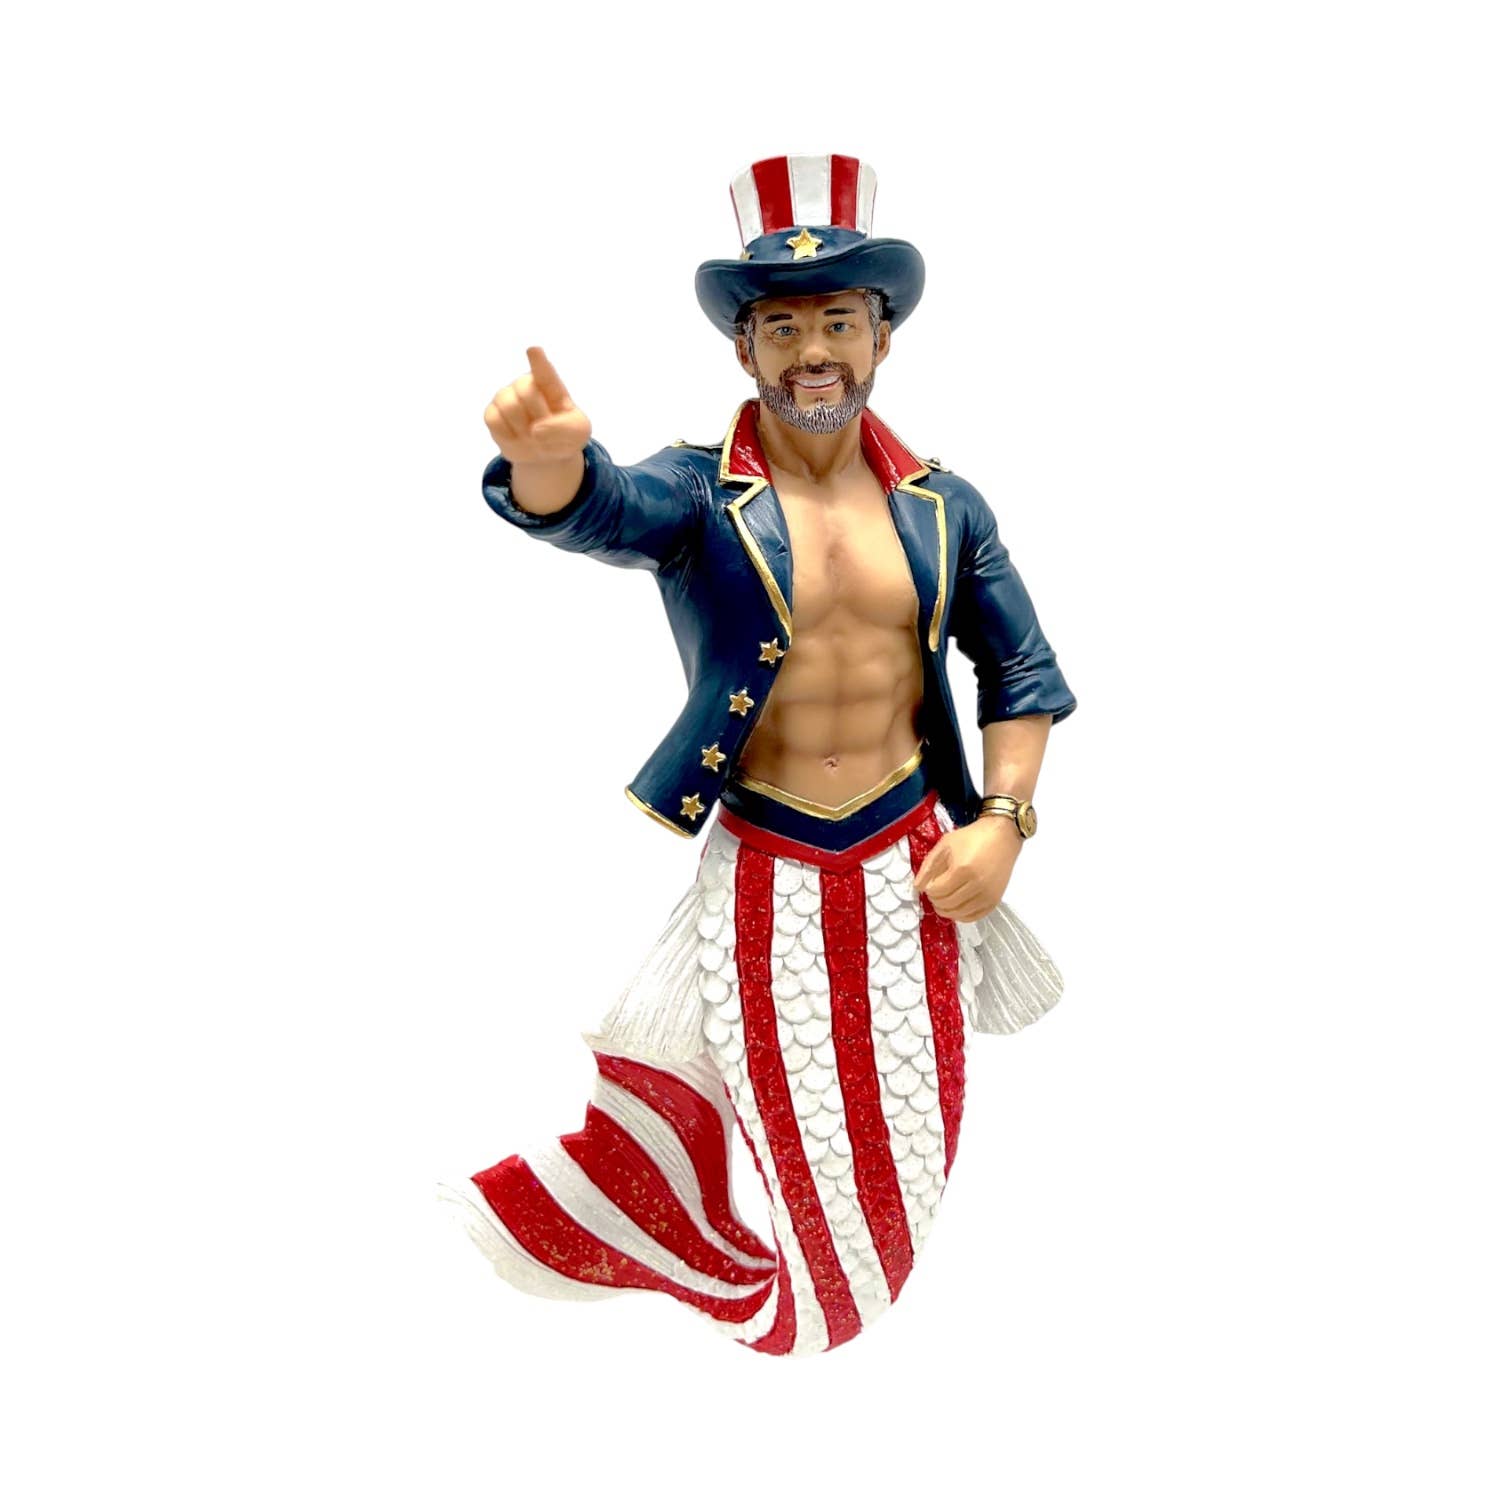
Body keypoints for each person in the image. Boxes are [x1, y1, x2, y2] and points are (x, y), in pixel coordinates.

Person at [444, 155, 1077, 1356]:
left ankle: (785, 1295)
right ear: (744, 350)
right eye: (782, 328)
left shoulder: (948, 508)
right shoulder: (700, 494)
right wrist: (550, 463)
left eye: (838, 320)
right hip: (766, 868)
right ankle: (695, 1253)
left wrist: (1003, 821)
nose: (812, 352)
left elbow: (1023, 674)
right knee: (796, 1140)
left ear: (882, 337)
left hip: (912, 866)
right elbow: (603, 508)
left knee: (903, 1157)